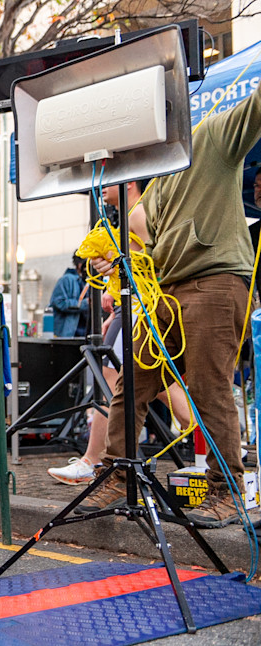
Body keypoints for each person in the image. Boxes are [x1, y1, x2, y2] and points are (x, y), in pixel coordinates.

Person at [81, 81, 261, 527]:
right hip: (169, 291)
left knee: (208, 386)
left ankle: (227, 490)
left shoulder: (212, 135)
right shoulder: (158, 179)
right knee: (132, 379)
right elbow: (149, 243)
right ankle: (118, 474)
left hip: (215, 281)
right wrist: (118, 259)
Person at [48, 181, 190, 485]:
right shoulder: (130, 216)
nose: (101, 185)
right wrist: (114, 299)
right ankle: (96, 458)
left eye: (109, 177)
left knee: (119, 381)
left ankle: (94, 459)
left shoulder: (139, 214)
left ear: (130, 183)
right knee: (138, 382)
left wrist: (117, 272)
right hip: (132, 308)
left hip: (142, 308)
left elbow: (159, 266)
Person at [48, 254, 88, 338]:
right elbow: (59, 302)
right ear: (80, 265)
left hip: (84, 335)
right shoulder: (66, 280)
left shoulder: (87, 282)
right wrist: (85, 303)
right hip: (67, 335)